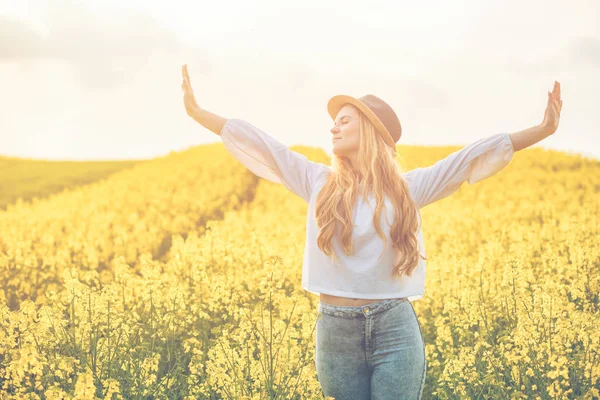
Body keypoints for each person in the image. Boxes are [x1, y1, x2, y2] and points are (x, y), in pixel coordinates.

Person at [180, 64, 562, 399]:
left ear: (371, 129)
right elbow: (260, 143)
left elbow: (471, 156)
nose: (334, 127)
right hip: (335, 333)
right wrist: (198, 113)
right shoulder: (317, 180)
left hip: (394, 327)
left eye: (345, 119)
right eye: (335, 121)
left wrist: (543, 129)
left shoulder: (409, 189)